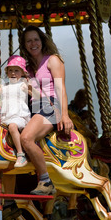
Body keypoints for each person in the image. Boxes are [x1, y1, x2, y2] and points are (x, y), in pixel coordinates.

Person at [20, 25, 74, 196]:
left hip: (50, 105)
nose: (33, 43)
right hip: (32, 108)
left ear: (42, 41)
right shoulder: (27, 68)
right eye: (29, 41)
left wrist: (64, 115)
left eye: (36, 39)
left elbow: (61, 89)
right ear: (24, 45)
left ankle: (45, 180)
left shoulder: (52, 60)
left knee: (26, 137)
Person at [0, 55, 31, 168]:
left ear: (22, 72)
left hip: (19, 116)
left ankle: (21, 154)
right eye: (10, 70)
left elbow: (33, 92)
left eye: (16, 70)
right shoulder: (5, 86)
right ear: (7, 72)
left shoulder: (23, 84)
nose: (13, 73)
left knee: (12, 127)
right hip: (6, 116)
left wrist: (30, 86)